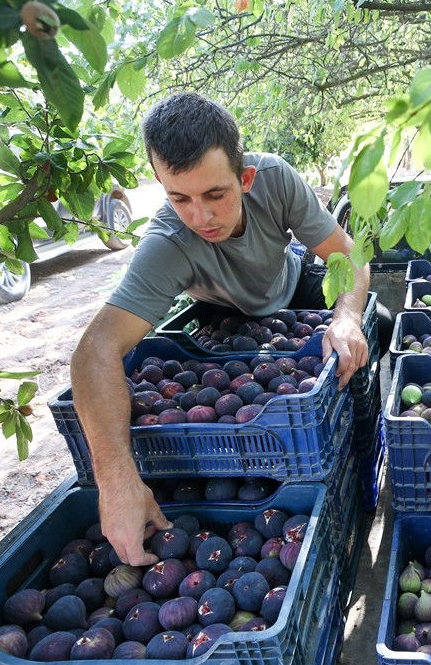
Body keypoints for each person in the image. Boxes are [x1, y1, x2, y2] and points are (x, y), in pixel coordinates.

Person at [70, 92, 390, 566]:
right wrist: (116, 480)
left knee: (374, 324)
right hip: (225, 318)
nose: (200, 217)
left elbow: (349, 256)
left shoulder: (276, 180)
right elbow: (94, 352)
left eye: (215, 195)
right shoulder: (169, 243)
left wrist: (346, 319)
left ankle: (364, 456)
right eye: (179, 198)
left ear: (245, 179)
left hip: (292, 288)